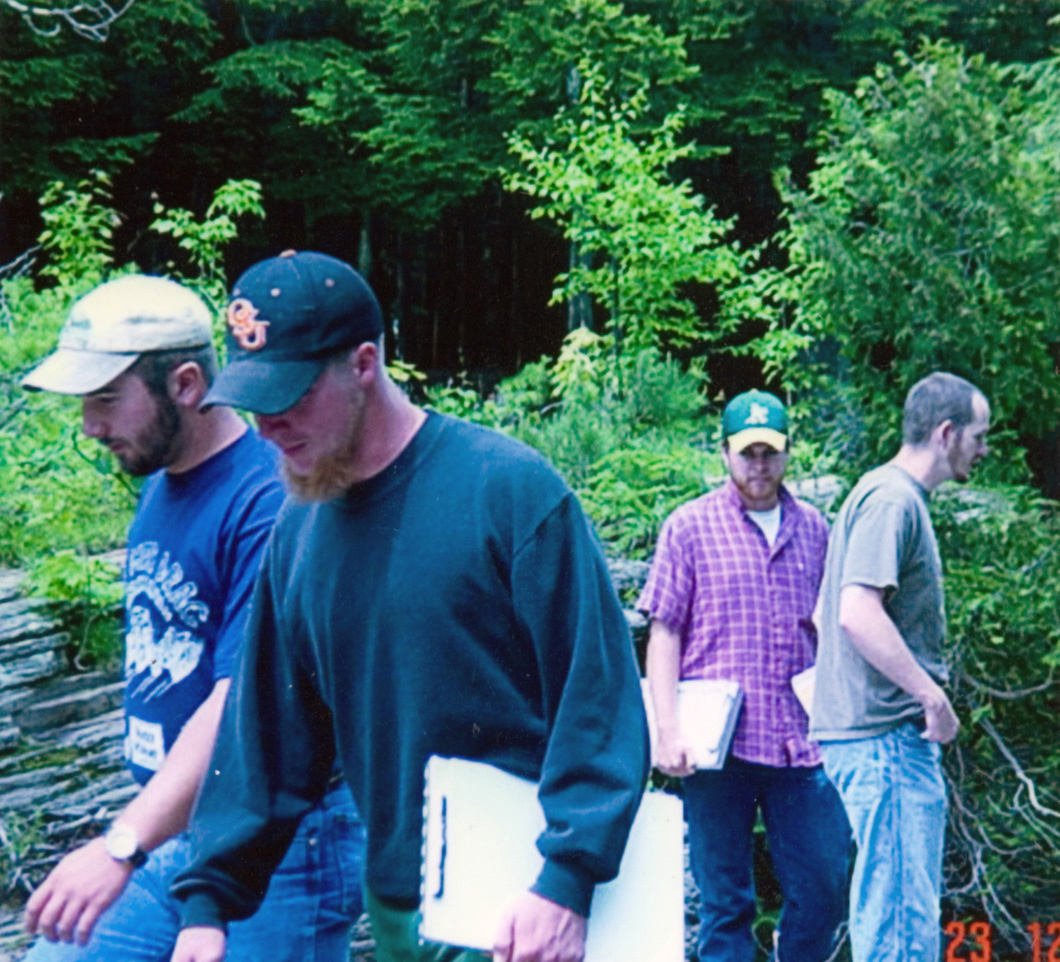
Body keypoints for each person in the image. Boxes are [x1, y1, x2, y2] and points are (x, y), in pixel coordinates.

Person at [164, 250, 650, 962]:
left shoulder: (507, 492)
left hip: (530, 903)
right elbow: (266, 736)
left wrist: (567, 880)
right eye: (252, 402)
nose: (266, 426)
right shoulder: (297, 533)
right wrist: (208, 904)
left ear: (363, 363)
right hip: (398, 904)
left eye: (289, 397)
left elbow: (599, 700)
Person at [19, 274, 365, 962]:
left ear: (183, 384)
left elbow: (239, 703)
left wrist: (120, 844)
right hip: (180, 832)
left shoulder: (269, 499)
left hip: (277, 840)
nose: (91, 426)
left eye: (107, 399)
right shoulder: (164, 478)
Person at [638, 389, 850, 962]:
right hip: (717, 749)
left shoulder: (816, 530)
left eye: (770, 452)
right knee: (724, 902)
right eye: (747, 452)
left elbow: (830, 628)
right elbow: (664, 632)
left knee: (824, 887)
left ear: (787, 454)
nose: (760, 465)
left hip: (800, 745)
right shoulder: (688, 527)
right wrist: (667, 728)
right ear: (725, 452)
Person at [811, 372, 990, 962]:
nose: (984, 450)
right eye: (978, 436)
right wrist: (930, 696)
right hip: (886, 744)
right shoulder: (891, 500)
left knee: (899, 915)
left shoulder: (882, 495)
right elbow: (854, 613)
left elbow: (822, 614)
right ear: (946, 433)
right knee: (899, 924)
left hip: (874, 741)